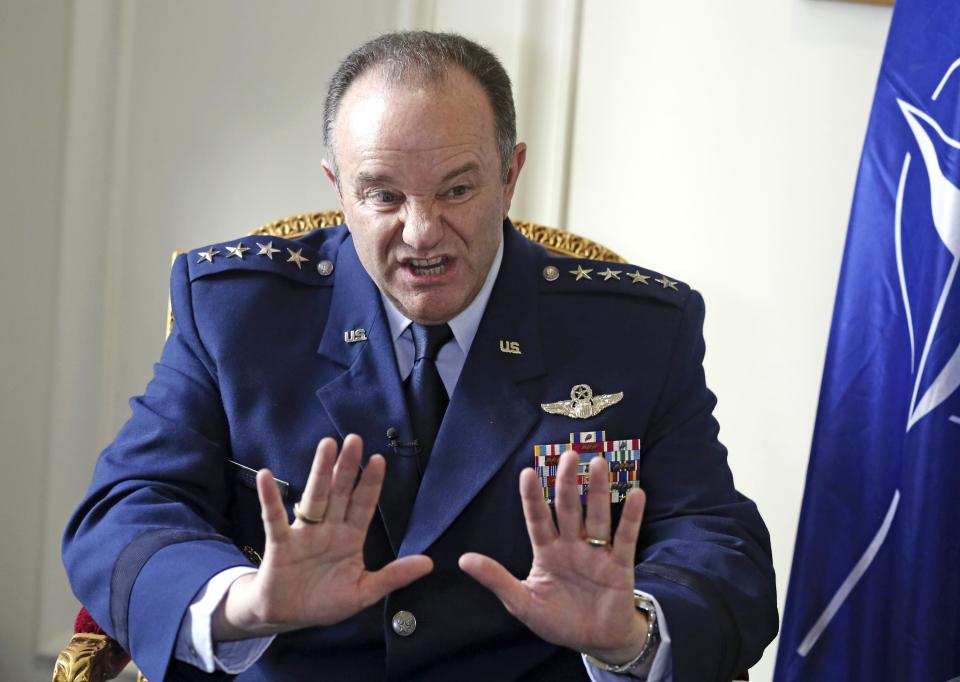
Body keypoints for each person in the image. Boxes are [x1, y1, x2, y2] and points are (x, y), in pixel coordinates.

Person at [63, 31, 777, 681]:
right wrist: (243, 603)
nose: (422, 233)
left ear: (510, 175)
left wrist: (632, 634)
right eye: (383, 195)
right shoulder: (236, 312)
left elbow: (720, 542)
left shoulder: (636, 330)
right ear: (338, 189)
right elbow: (125, 510)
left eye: (457, 190)